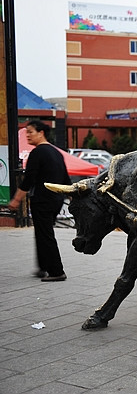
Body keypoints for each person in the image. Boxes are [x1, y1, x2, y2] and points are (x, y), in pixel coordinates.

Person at [8, 120, 71, 281]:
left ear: (41, 133)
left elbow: (28, 180)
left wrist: (16, 200)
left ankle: (57, 271)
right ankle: (43, 266)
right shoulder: (56, 153)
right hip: (56, 200)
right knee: (43, 233)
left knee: (45, 235)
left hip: (43, 200)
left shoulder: (37, 153)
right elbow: (66, 179)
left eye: (30, 131)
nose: (27, 135)